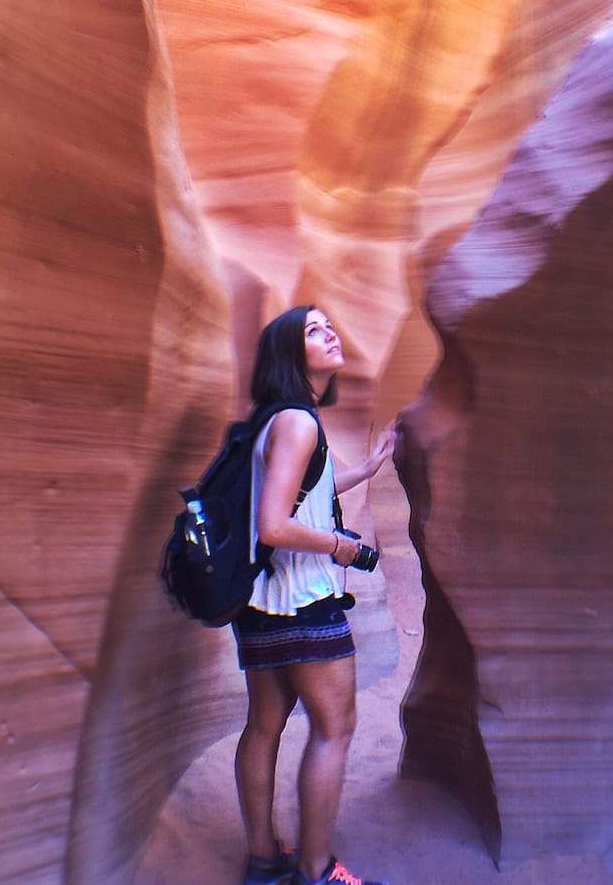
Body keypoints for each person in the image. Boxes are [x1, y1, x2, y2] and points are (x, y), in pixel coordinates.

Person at [234, 304, 397, 885]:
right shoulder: (298, 422)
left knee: (264, 726)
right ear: (288, 352)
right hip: (303, 601)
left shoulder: (278, 419)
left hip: (259, 602)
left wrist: (367, 470)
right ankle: (317, 869)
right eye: (312, 329)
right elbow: (276, 524)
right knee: (335, 728)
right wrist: (341, 548)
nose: (329, 333)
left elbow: (303, 488)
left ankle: (262, 861)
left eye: (329, 325)